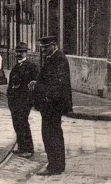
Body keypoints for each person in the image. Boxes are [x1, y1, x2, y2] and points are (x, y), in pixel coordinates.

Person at [30, 36, 73, 176]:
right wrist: (37, 84)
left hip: (53, 104)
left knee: (51, 135)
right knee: (51, 134)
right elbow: (49, 80)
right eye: (41, 48)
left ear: (54, 45)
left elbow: (57, 84)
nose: (43, 50)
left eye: (45, 47)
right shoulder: (53, 57)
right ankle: (55, 164)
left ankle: (55, 166)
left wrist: (40, 88)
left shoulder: (59, 59)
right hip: (50, 104)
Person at [8, 42, 39, 159]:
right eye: (18, 51)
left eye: (22, 52)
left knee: (23, 123)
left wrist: (30, 98)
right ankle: (21, 146)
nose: (19, 54)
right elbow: (11, 84)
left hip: (25, 100)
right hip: (14, 100)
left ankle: (29, 149)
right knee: (16, 123)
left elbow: (35, 83)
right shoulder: (15, 67)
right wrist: (10, 97)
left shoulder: (31, 66)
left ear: (26, 52)